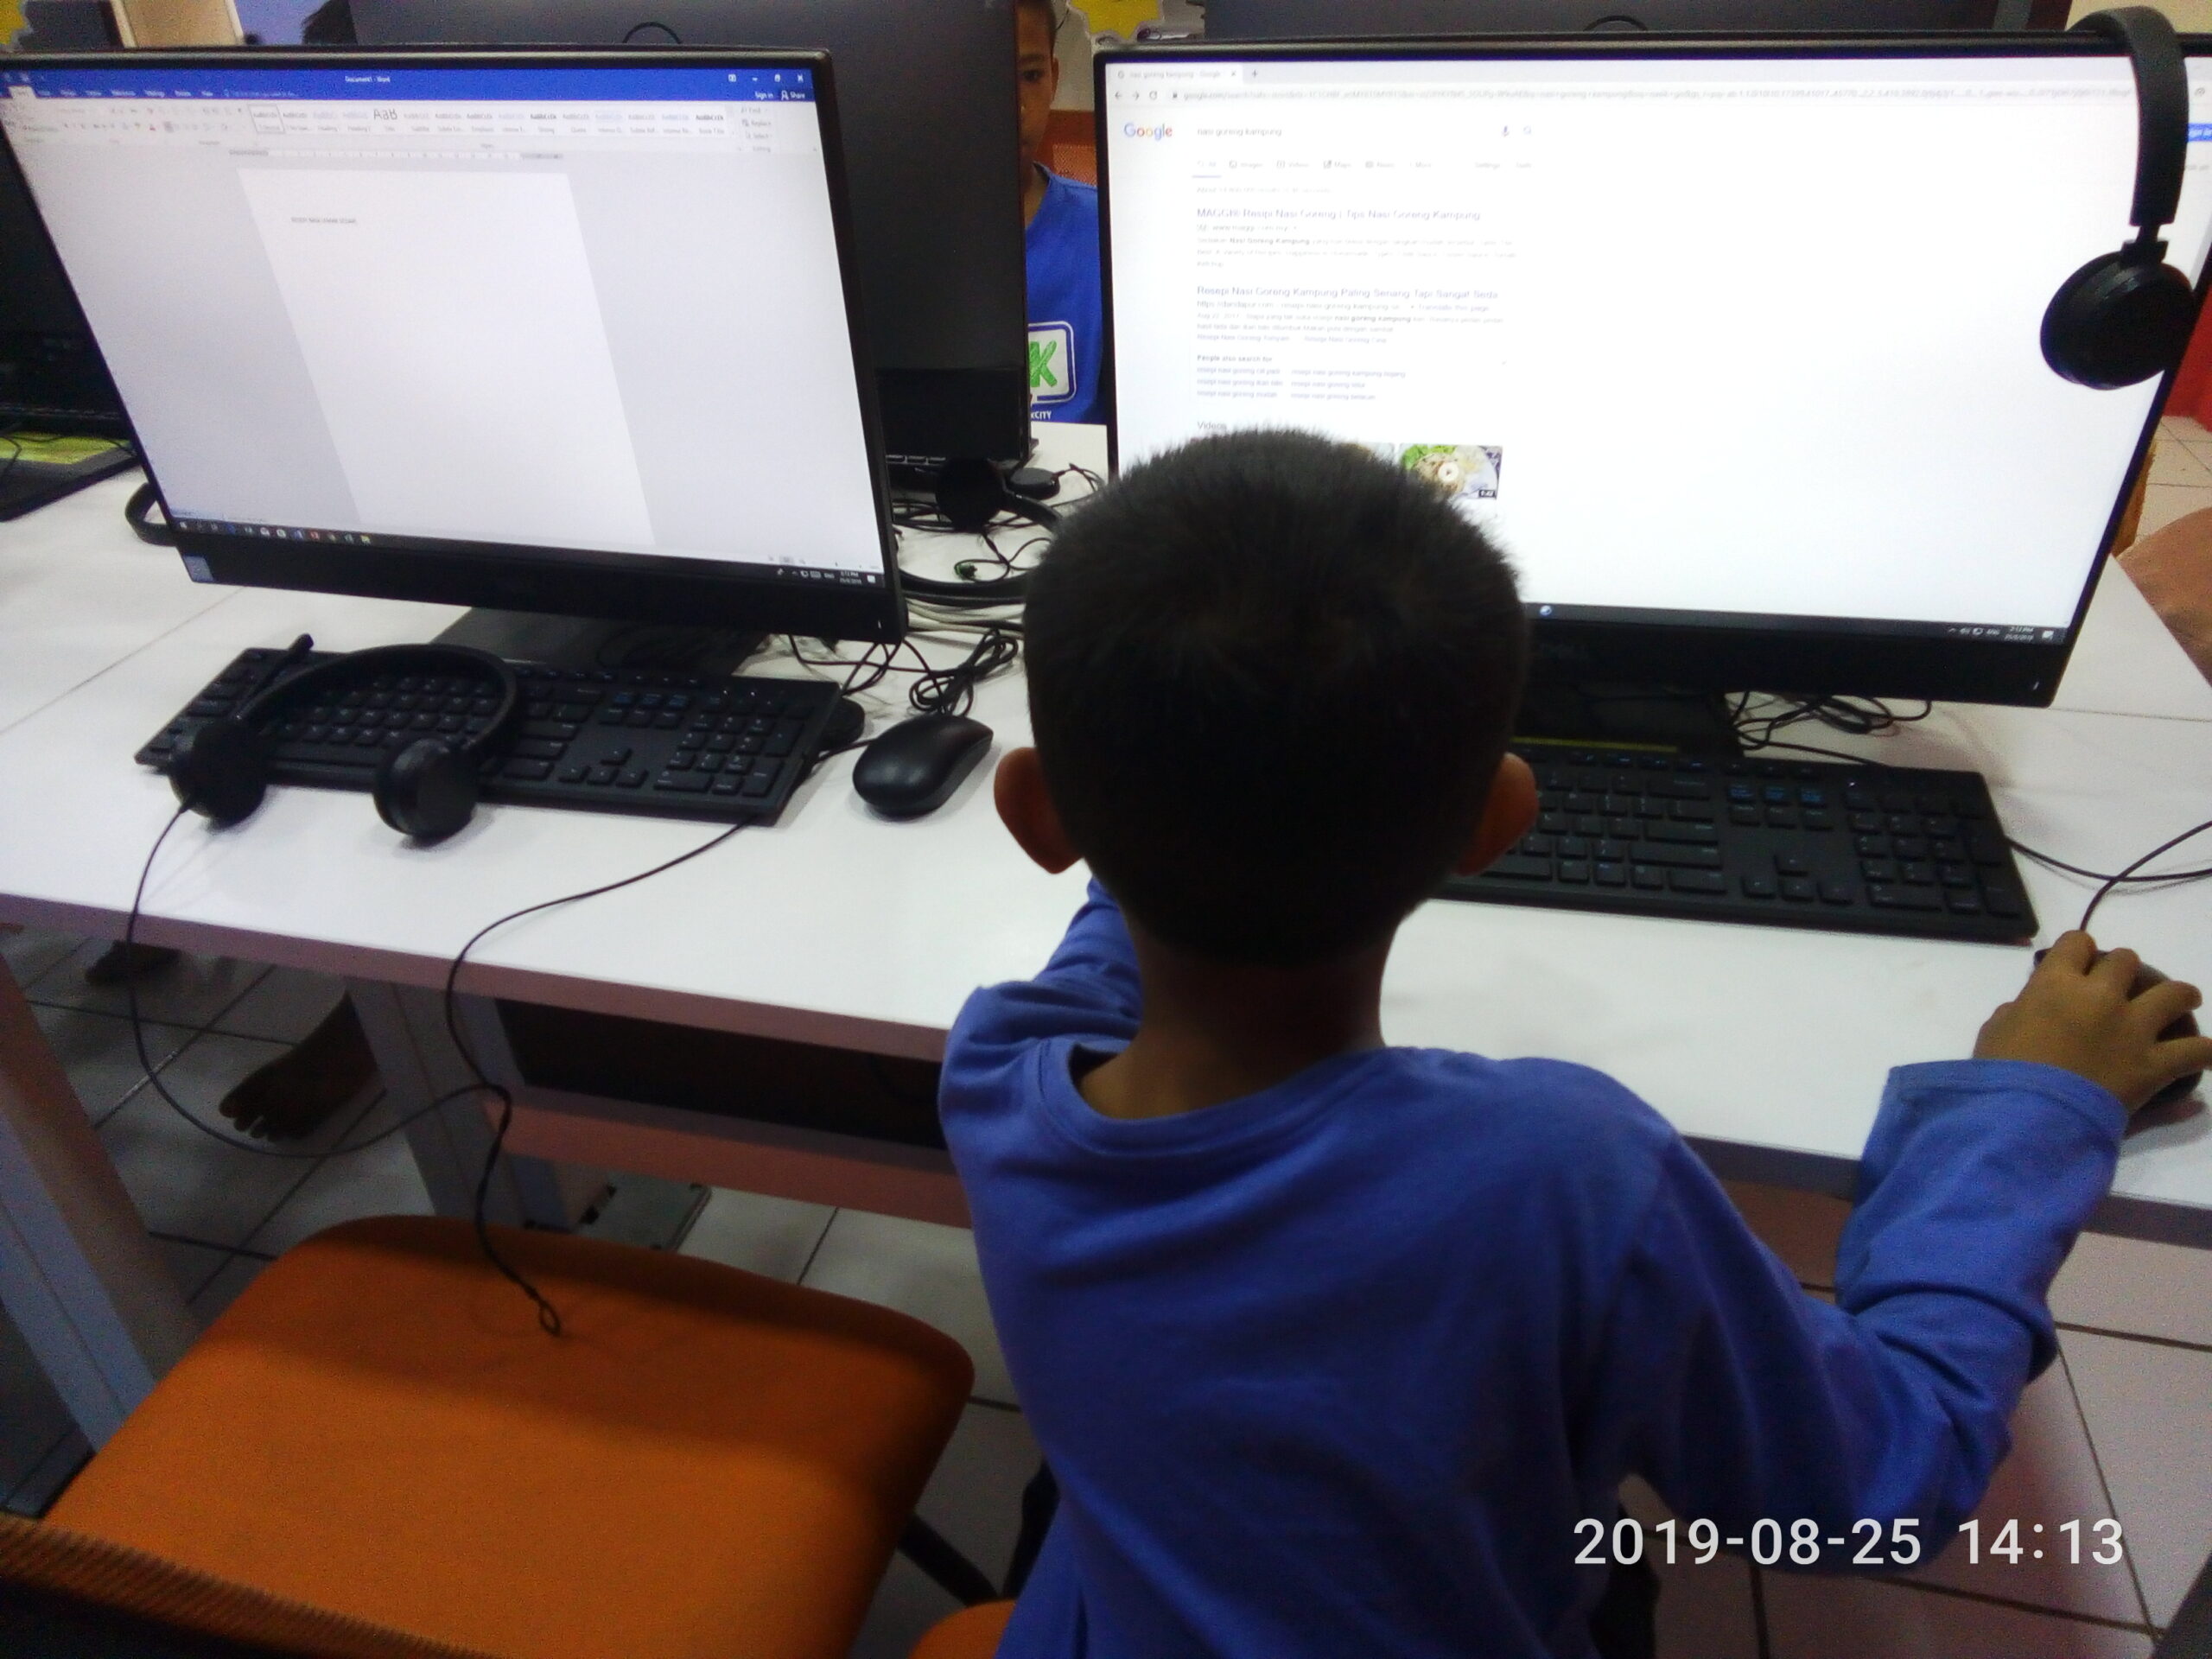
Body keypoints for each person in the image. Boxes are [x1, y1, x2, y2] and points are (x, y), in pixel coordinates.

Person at [939, 428, 2212, 1657]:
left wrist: (1168, 788)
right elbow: (1882, 1483)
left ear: (1037, 818)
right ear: (1500, 818)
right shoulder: (1563, 1174)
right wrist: (2030, 1102)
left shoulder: (999, 1073)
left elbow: (1104, 948)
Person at [1018, 0, 1103, 428]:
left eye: (1031, 76)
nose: (1015, 105)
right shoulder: (897, 241)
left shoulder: (1104, 229)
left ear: (1053, 78)